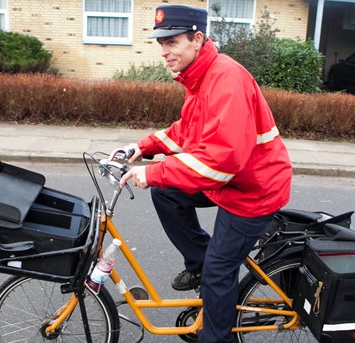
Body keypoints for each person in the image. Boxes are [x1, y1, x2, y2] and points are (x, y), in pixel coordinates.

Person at [119, 5, 292, 342]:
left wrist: (153, 173)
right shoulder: (202, 75)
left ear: (197, 39)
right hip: (233, 182)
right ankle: (200, 263)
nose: (164, 52)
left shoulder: (224, 80)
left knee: (219, 273)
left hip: (252, 192)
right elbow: (190, 129)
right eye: (161, 44)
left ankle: (217, 330)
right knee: (167, 193)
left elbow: (220, 163)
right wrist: (144, 146)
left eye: (172, 43)